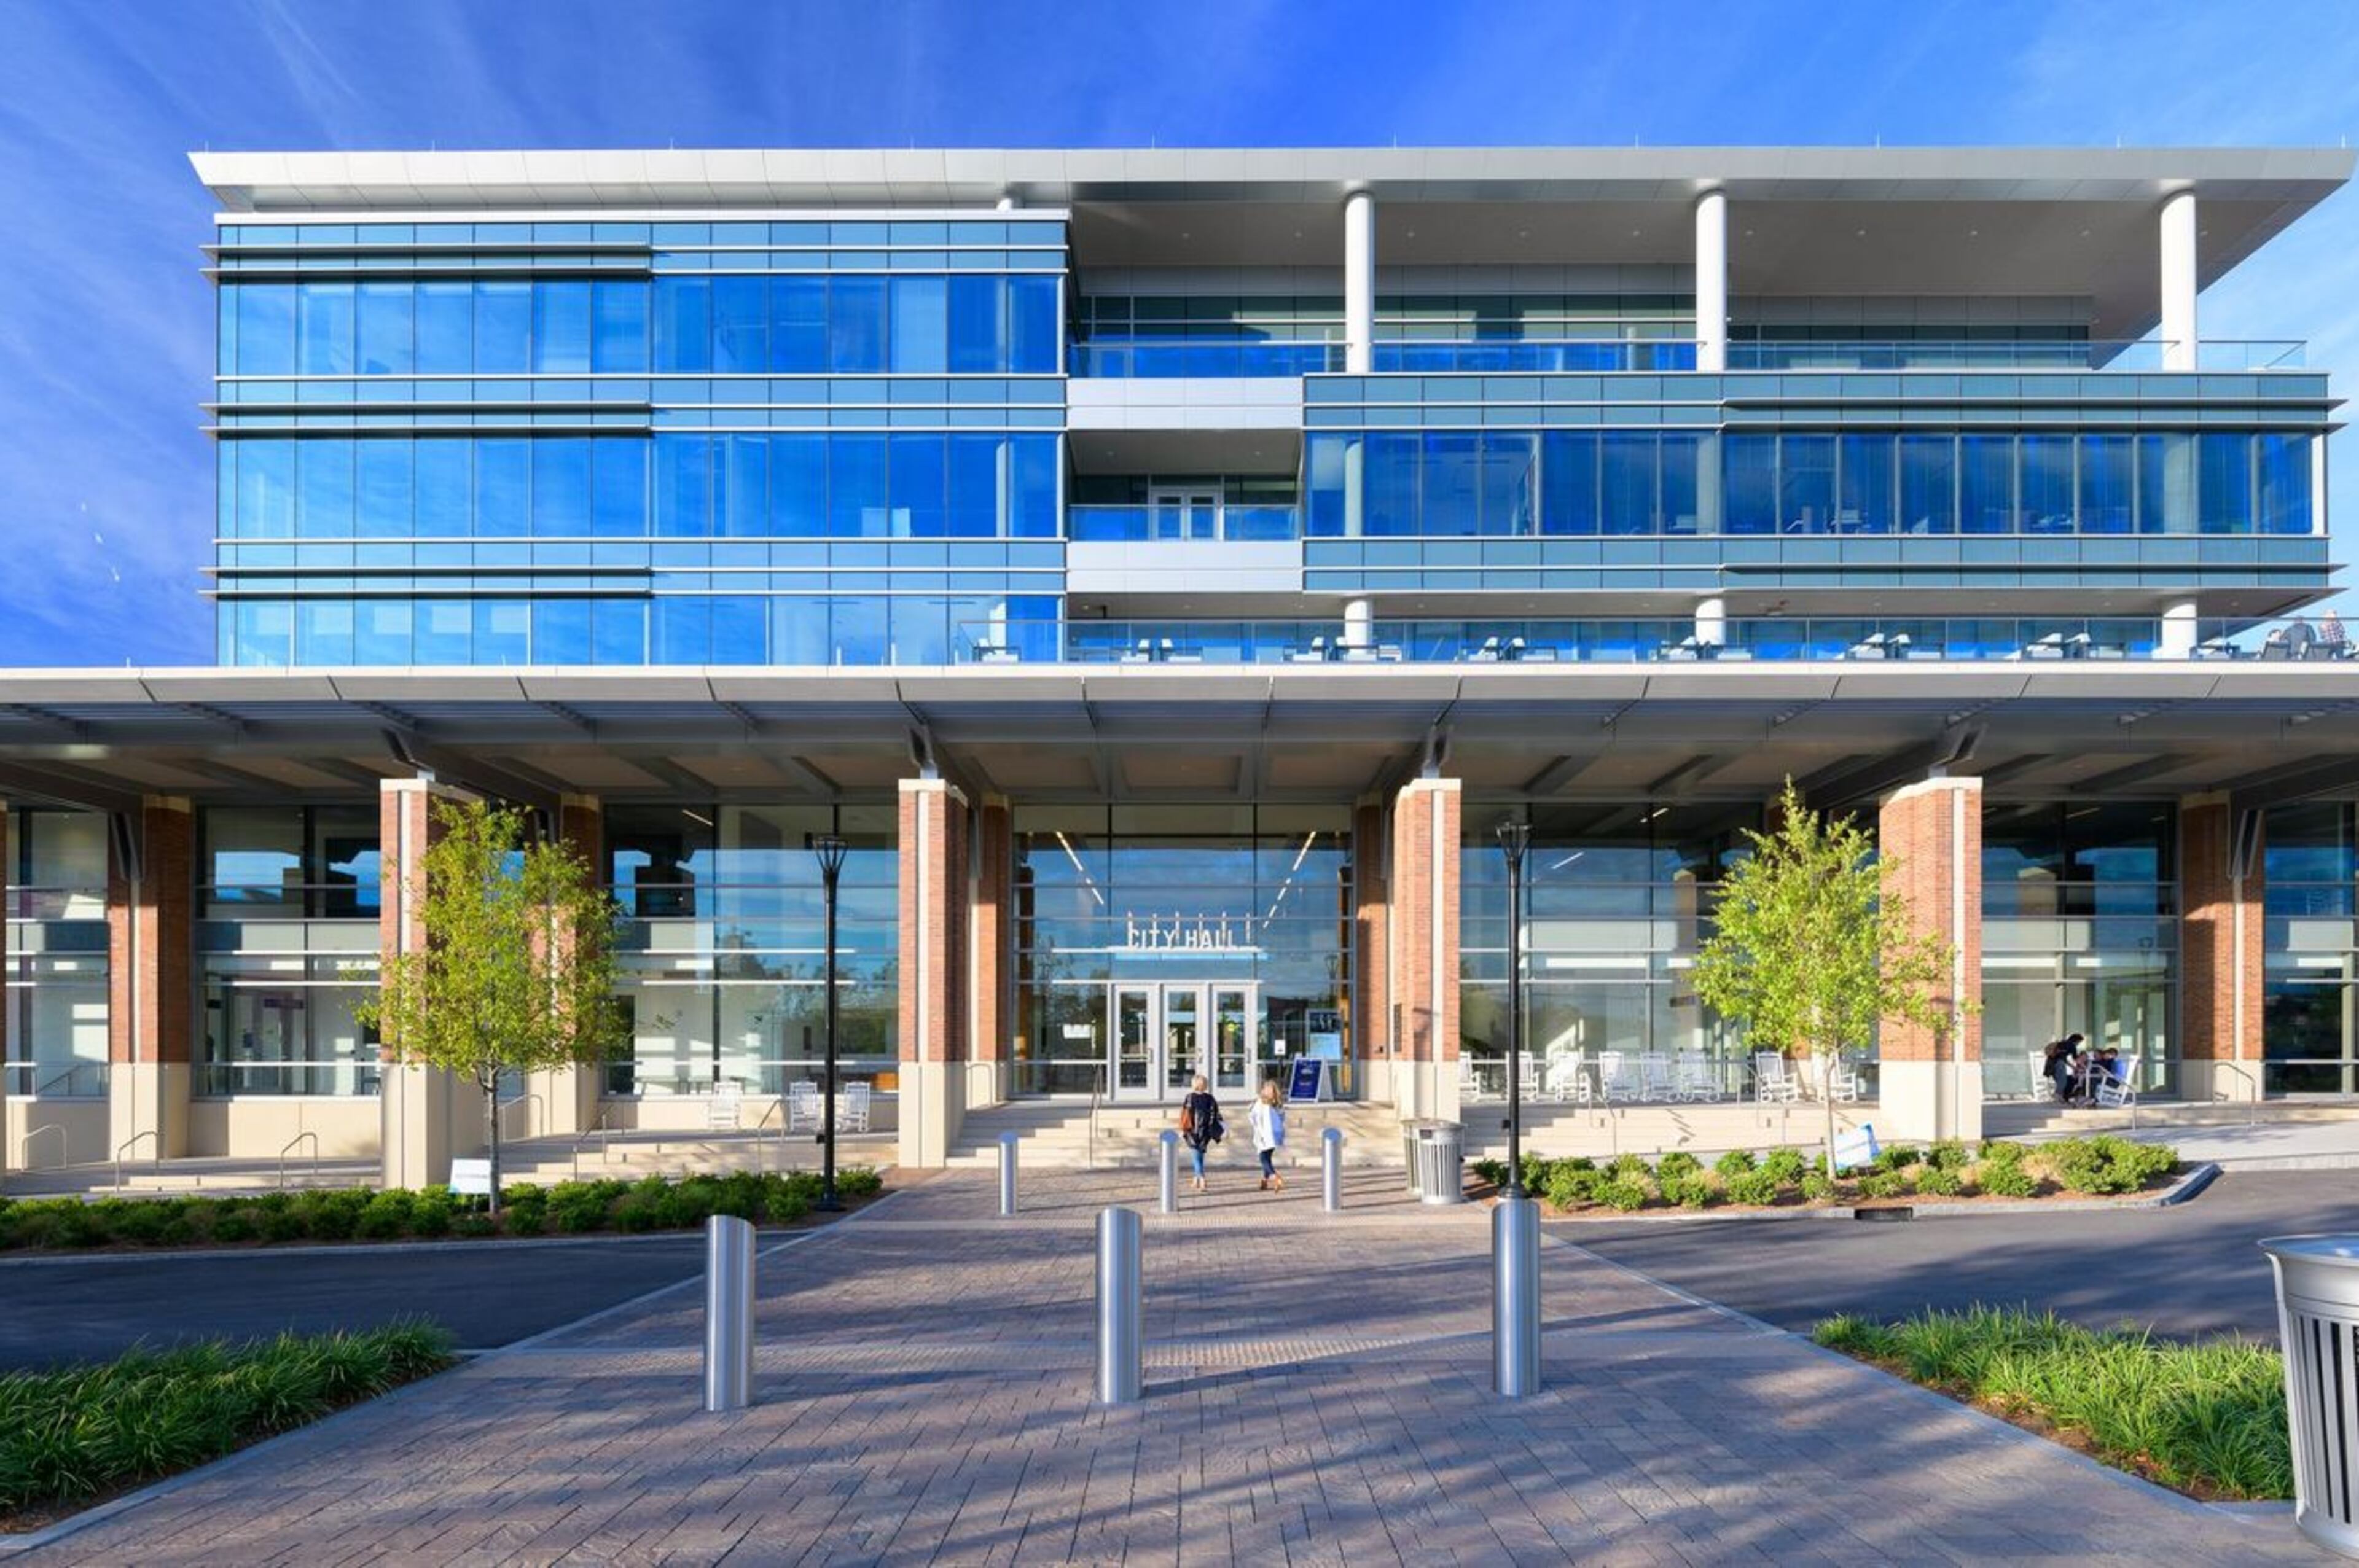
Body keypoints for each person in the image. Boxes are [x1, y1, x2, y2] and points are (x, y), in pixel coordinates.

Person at [1178, 1075, 1222, 1192]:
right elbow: (1215, 1115)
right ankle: (1196, 1179)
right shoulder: (1210, 1098)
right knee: (1199, 1155)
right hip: (1206, 1132)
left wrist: (1184, 1129)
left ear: (1194, 1084)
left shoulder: (1189, 1098)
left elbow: (1185, 1116)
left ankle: (1202, 1179)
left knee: (1196, 1156)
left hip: (1192, 1131)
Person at [1250, 1078, 1288, 1192]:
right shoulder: (1278, 1104)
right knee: (1268, 1158)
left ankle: (1275, 1177)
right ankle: (1264, 1181)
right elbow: (1282, 1118)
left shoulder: (1261, 1102)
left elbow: (1254, 1116)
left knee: (1263, 1159)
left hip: (1264, 1135)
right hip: (1275, 1135)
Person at [2042, 1034, 2083, 1103]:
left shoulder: (2062, 1043)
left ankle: (2060, 1097)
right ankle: (2057, 1096)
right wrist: (2083, 1066)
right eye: (2079, 1042)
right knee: (2063, 1081)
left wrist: (2073, 1068)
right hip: (2059, 1065)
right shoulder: (2072, 1046)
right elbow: (2076, 1059)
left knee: (2060, 1081)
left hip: (2050, 1064)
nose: (2078, 1044)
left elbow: (2062, 1058)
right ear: (2077, 1041)